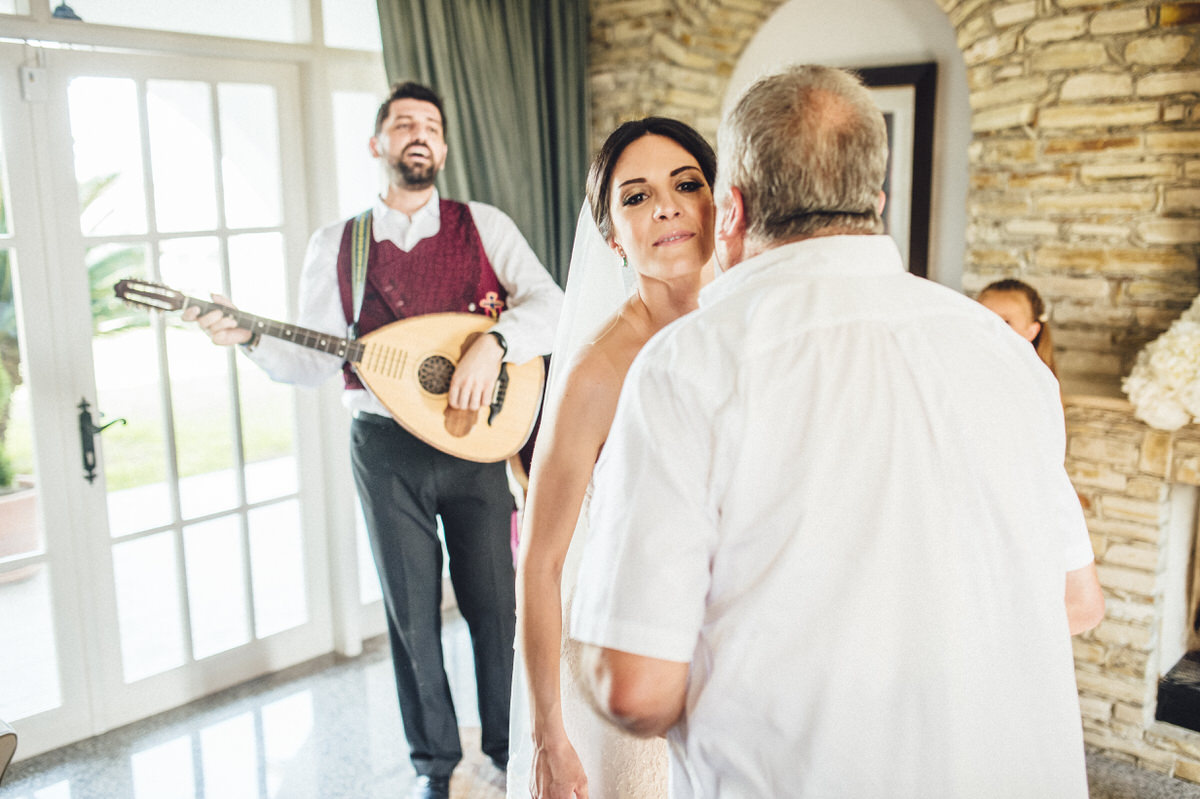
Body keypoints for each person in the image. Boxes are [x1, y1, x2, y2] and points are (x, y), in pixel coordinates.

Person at [569, 64, 1105, 798]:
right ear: (876, 201)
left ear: (732, 207)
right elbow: (1078, 602)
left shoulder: (688, 365)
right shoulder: (1004, 353)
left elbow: (634, 687)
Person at [184, 81, 563, 799]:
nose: (418, 133)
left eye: (431, 125)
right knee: (410, 610)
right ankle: (436, 767)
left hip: (479, 440)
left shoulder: (484, 225)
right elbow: (312, 360)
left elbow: (553, 303)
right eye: (402, 123)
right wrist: (249, 337)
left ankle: (513, 753)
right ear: (378, 144)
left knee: (495, 603)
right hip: (384, 447)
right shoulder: (340, 244)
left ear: (444, 147)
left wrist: (495, 343)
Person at [507, 118, 716, 799]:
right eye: (635, 196)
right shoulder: (595, 372)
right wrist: (550, 736)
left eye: (688, 184)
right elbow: (541, 562)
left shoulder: (756, 330)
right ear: (610, 237)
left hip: (735, 667)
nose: (666, 206)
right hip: (628, 669)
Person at [977, 277, 1057, 376]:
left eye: (1006, 323)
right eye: (983, 319)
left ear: (1031, 332)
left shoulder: (1035, 381)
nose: (991, 329)